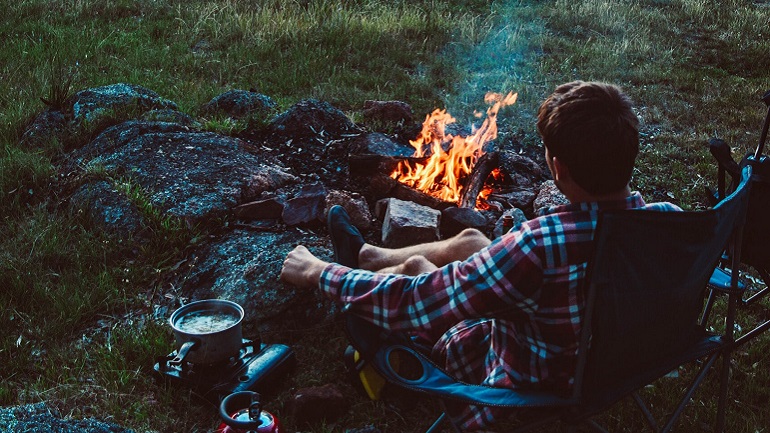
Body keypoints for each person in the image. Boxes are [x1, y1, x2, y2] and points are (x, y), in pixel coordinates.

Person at [279, 81, 680, 430]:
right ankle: (368, 255)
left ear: (558, 169)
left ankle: (360, 267)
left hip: (535, 377)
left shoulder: (539, 245)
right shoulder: (669, 224)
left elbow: (417, 302)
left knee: (419, 271)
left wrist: (318, 271)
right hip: (609, 355)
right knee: (471, 239)